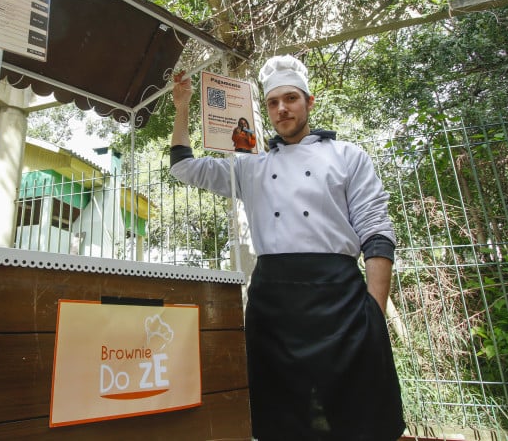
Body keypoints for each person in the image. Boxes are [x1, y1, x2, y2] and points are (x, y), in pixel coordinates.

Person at [169, 56, 405, 441]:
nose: (282, 108)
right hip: (273, 302)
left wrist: (374, 313)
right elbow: (183, 167)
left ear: (309, 102)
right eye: (274, 102)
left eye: (291, 98)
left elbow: (376, 233)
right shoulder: (249, 165)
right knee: (279, 415)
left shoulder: (348, 156)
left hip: (340, 298)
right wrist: (183, 107)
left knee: (355, 413)